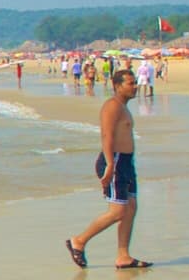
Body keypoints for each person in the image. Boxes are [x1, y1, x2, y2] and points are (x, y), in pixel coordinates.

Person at [65, 70, 152, 270]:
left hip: (126, 162)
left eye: (135, 82)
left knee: (130, 209)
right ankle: (79, 241)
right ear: (117, 85)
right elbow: (106, 135)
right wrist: (111, 164)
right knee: (118, 210)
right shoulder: (112, 106)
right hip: (115, 161)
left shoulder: (124, 107)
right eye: (130, 83)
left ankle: (123, 256)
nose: (135, 86)